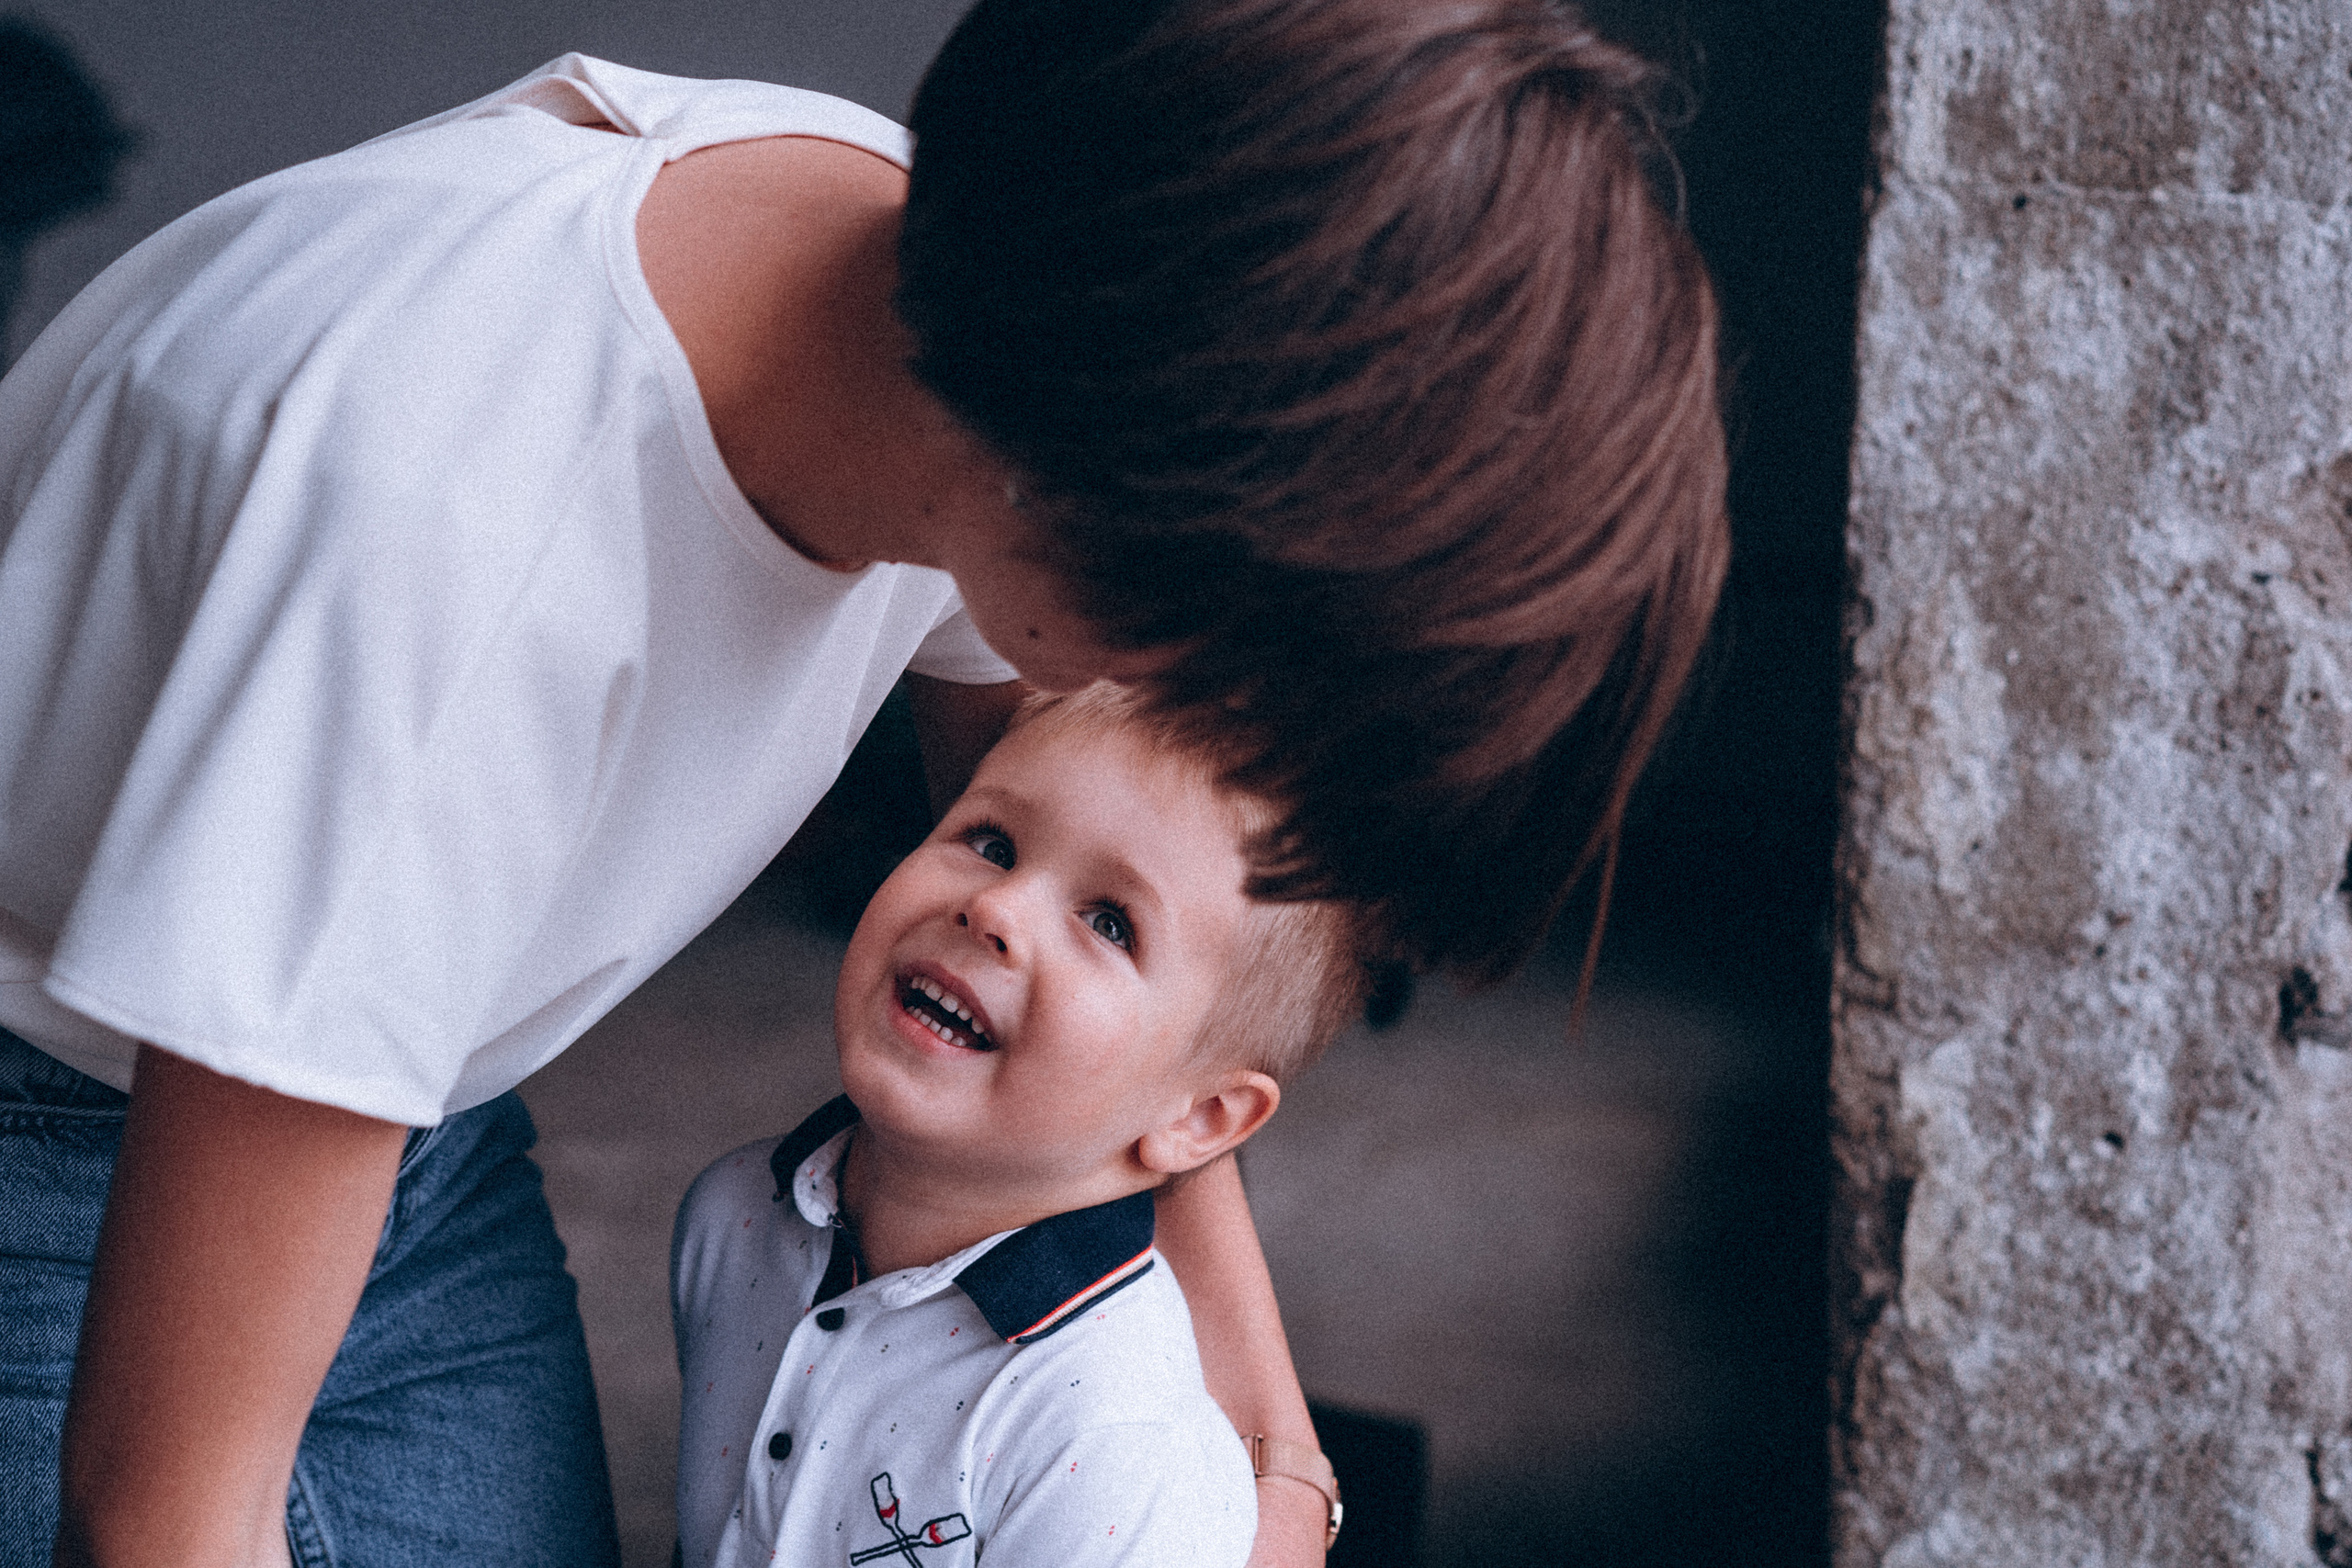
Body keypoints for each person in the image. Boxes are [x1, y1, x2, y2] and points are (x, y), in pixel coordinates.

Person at [0, 2, 1728, 1565]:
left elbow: (1134, 1011)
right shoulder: (447, 558)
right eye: (1251, 660)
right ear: (1121, 494)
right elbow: (159, 1506)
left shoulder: (935, 308)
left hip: (407, 1092)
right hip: (74, 1115)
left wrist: (1271, 1444)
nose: (1215, 726)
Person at [673, 684, 1364, 1568]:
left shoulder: (1115, 1443)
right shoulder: (730, 1221)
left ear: (1199, 1116)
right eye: (991, 843)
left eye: (1110, 923)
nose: (995, 909)